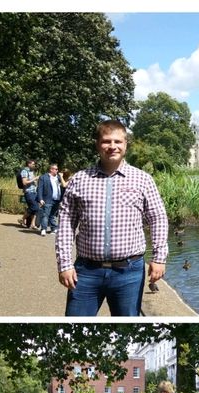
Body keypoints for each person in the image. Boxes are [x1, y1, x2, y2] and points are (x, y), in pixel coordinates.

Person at [55, 119, 168, 316]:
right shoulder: (80, 179)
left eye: (118, 141)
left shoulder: (143, 179)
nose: (112, 146)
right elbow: (66, 223)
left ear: (125, 145)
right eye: (107, 141)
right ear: (98, 144)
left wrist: (159, 258)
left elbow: (157, 218)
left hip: (129, 272)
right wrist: (64, 264)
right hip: (86, 271)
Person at [36, 163, 64, 236]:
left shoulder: (58, 177)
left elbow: (63, 186)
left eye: (57, 169)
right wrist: (40, 199)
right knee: (45, 214)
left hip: (57, 199)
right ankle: (44, 229)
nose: (57, 171)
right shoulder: (43, 177)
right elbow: (39, 189)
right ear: (51, 169)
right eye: (56, 169)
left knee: (53, 215)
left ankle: (53, 228)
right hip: (47, 199)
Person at [19, 159, 40, 229]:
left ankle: (32, 224)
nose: (34, 165)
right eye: (33, 164)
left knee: (35, 208)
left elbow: (32, 181)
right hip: (28, 192)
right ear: (29, 164)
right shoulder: (24, 171)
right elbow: (24, 182)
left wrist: (36, 182)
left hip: (34, 192)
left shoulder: (32, 171)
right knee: (35, 207)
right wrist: (34, 179)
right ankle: (22, 219)